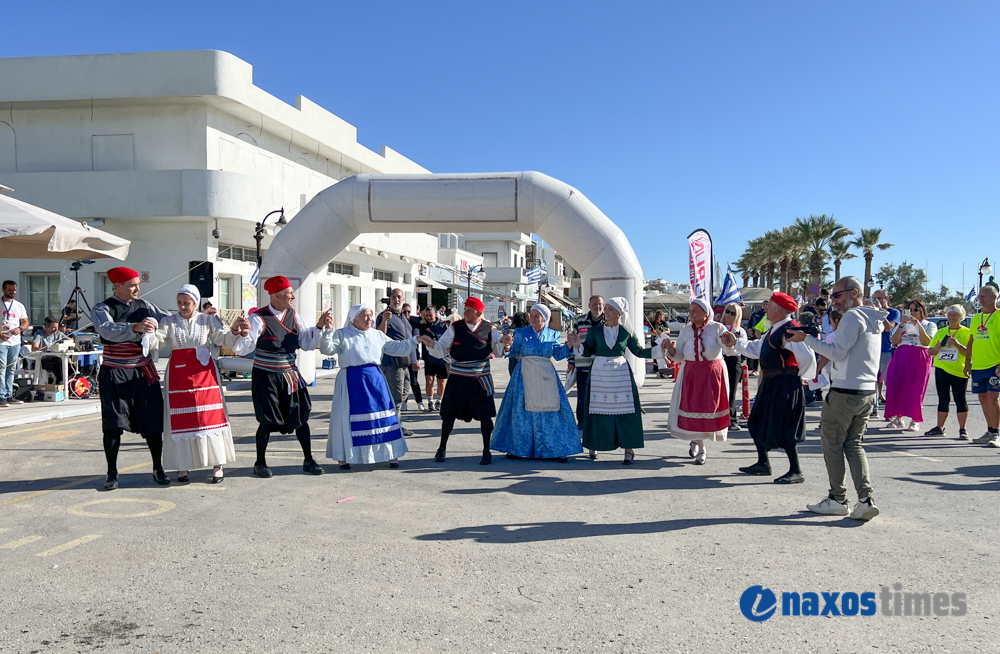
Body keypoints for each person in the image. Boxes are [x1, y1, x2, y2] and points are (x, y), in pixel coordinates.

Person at [787, 276, 883, 520]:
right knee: (854, 445)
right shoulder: (873, 317)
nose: (833, 301)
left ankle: (838, 499)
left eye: (837, 295)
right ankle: (865, 499)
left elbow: (836, 353)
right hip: (866, 392)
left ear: (854, 293)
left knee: (832, 445)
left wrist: (806, 339)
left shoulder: (852, 316)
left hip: (845, 392)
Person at [232, 275, 330, 478]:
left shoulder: (295, 316)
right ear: (277, 295)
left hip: (290, 374)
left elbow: (306, 343)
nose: (293, 296)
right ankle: (259, 463)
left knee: (301, 416)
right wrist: (244, 334)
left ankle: (308, 460)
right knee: (267, 420)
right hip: (266, 377)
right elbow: (242, 349)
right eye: (289, 293)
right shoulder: (258, 318)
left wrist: (319, 327)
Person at [153, 285, 250, 483]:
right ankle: (183, 465)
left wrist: (234, 329)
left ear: (195, 303)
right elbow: (157, 341)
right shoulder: (168, 321)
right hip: (178, 376)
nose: (182, 307)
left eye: (186, 303)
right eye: (179, 303)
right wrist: (148, 333)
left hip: (205, 375)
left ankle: (217, 463)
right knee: (181, 419)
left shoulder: (207, 320)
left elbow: (223, 340)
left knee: (210, 418)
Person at [723, 292, 816, 484]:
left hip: (785, 385)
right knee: (755, 422)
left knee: (787, 427)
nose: (765, 310)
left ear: (779, 310)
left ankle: (796, 470)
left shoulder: (790, 330)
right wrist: (736, 343)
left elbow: (807, 357)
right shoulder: (774, 329)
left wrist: (799, 376)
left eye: (769, 306)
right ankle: (763, 463)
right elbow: (757, 348)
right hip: (771, 384)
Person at [93, 267, 173, 489]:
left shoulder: (145, 306)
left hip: (142, 371)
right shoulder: (102, 308)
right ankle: (111, 472)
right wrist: (134, 327)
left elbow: (170, 320)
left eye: (138, 285)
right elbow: (106, 330)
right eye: (132, 285)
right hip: (114, 372)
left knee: (153, 422)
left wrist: (196, 315)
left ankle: (158, 468)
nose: (137, 289)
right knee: (112, 424)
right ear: (117, 286)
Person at [321, 304, 421, 469]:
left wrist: (415, 340)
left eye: (370, 315)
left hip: (375, 380)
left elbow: (398, 348)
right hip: (351, 381)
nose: (369, 318)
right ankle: (345, 457)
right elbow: (327, 350)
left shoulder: (377, 335)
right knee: (348, 418)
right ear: (354, 319)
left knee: (383, 417)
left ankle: (390, 454)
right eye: (365, 315)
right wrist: (328, 331)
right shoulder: (343, 334)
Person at [419, 297, 513, 465]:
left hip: (480, 380)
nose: (465, 313)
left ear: (478, 313)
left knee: (485, 417)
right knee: (448, 415)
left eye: (469, 310)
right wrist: (431, 344)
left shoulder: (489, 328)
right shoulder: (455, 327)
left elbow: (498, 350)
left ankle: (486, 451)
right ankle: (441, 448)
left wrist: (504, 343)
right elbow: (442, 348)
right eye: (465, 310)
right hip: (458, 379)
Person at [491, 304, 581, 462]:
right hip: (524, 375)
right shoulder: (520, 332)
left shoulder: (552, 334)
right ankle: (519, 448)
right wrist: (508, 347)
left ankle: (555, 449)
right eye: (531, 315)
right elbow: (512, 352)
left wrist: (568, 345)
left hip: (546, 376)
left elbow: (558, 355)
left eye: (536, 315)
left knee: (551, 410)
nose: (532, 318)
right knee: (522, 412)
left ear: (544, 318)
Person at [570, 296, 652, 464]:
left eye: (610, 309)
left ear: (619, 313)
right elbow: (588, 351)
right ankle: (593, 444)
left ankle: (628, 449)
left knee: (626, 411)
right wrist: (578, 344)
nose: (605, 311)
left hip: (621, 376)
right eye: (606, 308)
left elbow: (639, 351)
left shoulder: (626, 332)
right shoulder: (595, 331)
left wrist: (660, 350)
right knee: (596, 410)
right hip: (600, 375)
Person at [664, 299, 735, 465]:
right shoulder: (685, 331)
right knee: (693, 408)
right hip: (691, 374)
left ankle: (697, 441)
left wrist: (730, 342)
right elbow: (679, 356)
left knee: (707, 409)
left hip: (712, 374)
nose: (691, 313)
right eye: (690, 310)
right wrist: (670, 349)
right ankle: (701, 448)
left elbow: (729, 350)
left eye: (695, 310)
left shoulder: (717, 328)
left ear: (705, 313)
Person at [884, 299, 937, 431]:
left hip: (919, 356)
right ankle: (898, 418)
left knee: (916, 389)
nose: (912, 312)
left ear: (922, 311)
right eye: (910, 310)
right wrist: (901, 325)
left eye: (916, 310)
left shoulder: (929, 325)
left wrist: (918, 325)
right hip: (901, 355)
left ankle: (915, 420)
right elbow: (894, 341)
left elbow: (927, 342)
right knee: (897, 386)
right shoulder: (902, 325)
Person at [924, 305, 972, 439]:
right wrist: (937, 348)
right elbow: (930, 351)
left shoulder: (967, 333)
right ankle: (939, 427)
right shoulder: (941, 332)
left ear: (961, 318)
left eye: (955, 315)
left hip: (958, 370)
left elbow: (971, 353)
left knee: (960, 399)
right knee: (943, 399)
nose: (952, 317)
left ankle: (963, 429)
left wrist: (958, 345)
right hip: (941, 369)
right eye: (950, 314)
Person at [376, 289, 417, 435]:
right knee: (396, 396)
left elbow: (409, 340)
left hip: (404, 363)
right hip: (391, 363)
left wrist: (414, 360)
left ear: (403, 299)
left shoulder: (403, 317)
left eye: (399, 297)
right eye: (393, 297)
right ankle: (394, 426)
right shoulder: (384, 316)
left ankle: (395, 423)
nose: (396, 299)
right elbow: (379, 336)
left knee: (404, 393)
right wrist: (385, 320)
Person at [964, 283, 1000, 447]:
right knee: (983, 397)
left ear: (994, 297)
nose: (980, 299)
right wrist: (967, 363)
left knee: (993, 397)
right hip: (978, 365)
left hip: (994, 364)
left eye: (984, 296)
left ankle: (996, 433)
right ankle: (990, 430)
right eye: (979, 296)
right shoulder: (976, 318)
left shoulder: (998, 316)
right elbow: (971, 341)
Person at [566, 295, 605, 428]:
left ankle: (598, 421)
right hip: (582, 365)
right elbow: (573, 341)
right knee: (582, 395)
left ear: (603, 306)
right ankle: (582, 421)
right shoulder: (580, 321)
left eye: (599, 304)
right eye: (594, 304)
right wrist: (571, 361)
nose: (597, 307)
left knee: (600, 395)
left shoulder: (607, 321)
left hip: (601, 366)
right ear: (589, 306)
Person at [871, 289, 901, 417]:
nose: (876, 301)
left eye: (879, 298)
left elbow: (889, 328)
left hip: (886, 350)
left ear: (886, 299)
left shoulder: (893, 312)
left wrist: (880, 312)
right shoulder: (872, 312)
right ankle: (873, 408)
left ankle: (892, 410)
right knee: (872, 380)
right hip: (872, 349)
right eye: (874, 298)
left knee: (889, 380)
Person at [719, 302, 748, 431]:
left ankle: (732, 420)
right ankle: (716, 419)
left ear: (738, 315)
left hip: (734, 361)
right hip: (720, 359)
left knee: (731, 391)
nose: (729, 315)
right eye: (727, 311)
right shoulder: (718, 328)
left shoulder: (740, 331)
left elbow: (744, 347)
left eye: (733, 313)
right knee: (718, 391)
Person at [0, 280, 28, 407]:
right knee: (2, 368)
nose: (12, 292)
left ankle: (9, 395)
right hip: (2, 342)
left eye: (14, 290)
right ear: (3, 290)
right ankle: (1, 396)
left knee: (11, 369)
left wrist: (20, 329)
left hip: (15, 342)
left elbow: (25, 322)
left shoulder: (19, 305)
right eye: (10, 290)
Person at [418, 306, 449, 412]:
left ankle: (439, 401)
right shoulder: (423, 325)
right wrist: (420, 320)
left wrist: (435, 337)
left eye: (430, 315)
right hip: (429, 358)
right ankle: (430, 401)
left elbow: (448, 339)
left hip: (442, 359)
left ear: (435, 314)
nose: (428, 317)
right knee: (429, 380)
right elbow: (411, 320)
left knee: (441, 381)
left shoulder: (443, 326)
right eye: (426, 315)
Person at [400, 303, 426, 411]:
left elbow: (423, 319)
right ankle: (404, 402)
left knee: (414, 381)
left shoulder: (414, 322)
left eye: (408, 311)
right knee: (403, 381)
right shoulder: (399, 322)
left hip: (413, 355)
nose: (406, 314)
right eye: (404, 311)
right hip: (402, 355)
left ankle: (419, 402)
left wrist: (416, 360)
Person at [31, 317, 69, 384]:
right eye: (53, 327)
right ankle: (61, 382)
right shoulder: (39, 334)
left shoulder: (58, 333)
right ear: (46, 327)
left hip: (57, 357)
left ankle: (67, 382)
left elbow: (70, 340)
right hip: (43, 359)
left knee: (69, 365)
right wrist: (46, 349)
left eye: (57, 327)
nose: (56, 329)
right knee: (58, 363)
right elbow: (34, 348)